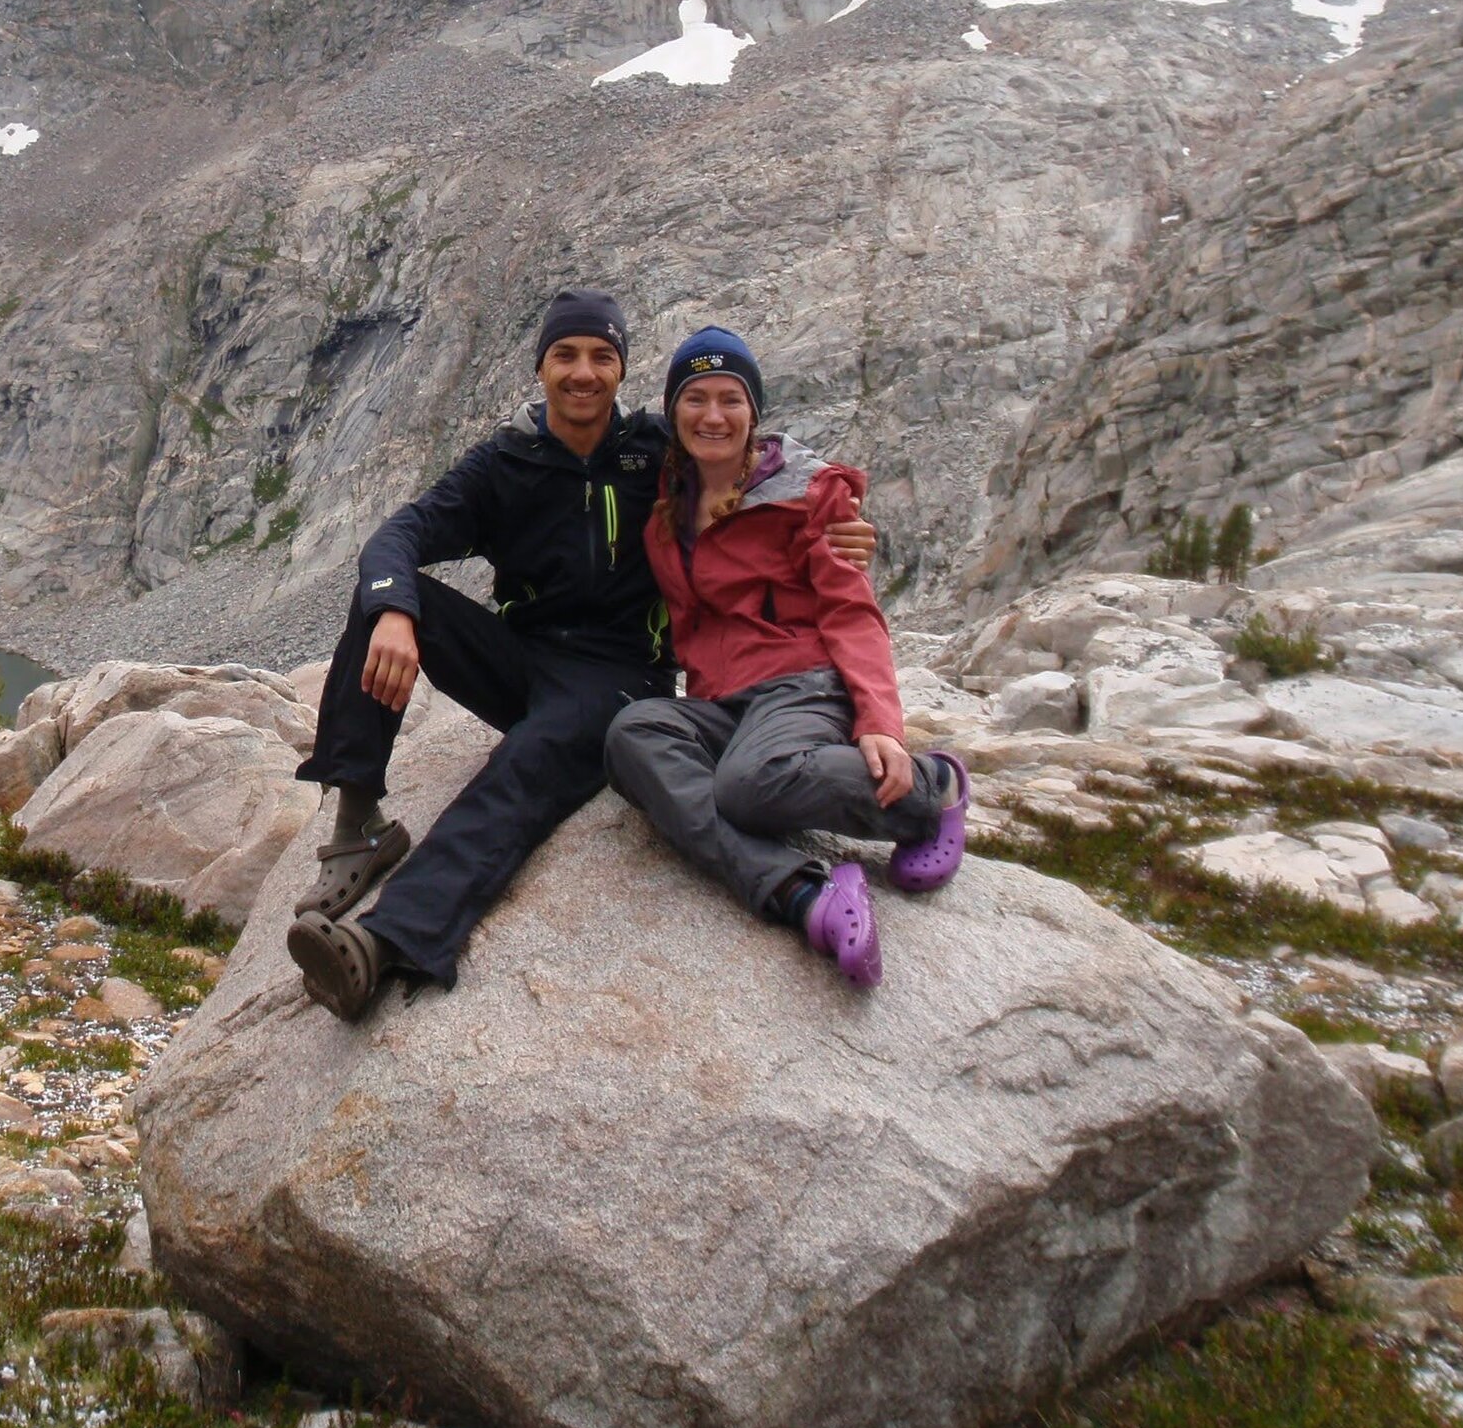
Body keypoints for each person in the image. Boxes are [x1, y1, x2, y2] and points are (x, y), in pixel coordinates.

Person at [286, 292, 879, 1020]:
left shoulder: (657, 453)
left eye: (602, 356)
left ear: (622, 369)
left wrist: (838, 516)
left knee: (523, 767)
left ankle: (386, 940)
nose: (584, 372)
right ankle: (361, 820)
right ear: (541, 367)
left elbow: (756, 458)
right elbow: (400, 533)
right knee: (382, 595)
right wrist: (396, 610)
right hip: (523, 654)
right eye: (566, 354)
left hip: (620, 676)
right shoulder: (507, 459)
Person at [602, 328, 971, 988]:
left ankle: (931, 790)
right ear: (673, 410)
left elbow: (852, 610)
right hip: (719, 704)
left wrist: (880, 720)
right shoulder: (667, 507)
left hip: (801, 686)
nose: (712, 416)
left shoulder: (810, 495)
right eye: (694, 398)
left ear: (754, 412)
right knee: (632, 736)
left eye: (730, 399)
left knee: (745, 783)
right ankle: (804, 894)